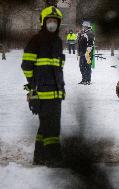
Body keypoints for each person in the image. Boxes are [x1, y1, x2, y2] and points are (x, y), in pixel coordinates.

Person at [21, 6, 65, 167]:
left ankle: (39, 157)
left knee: (45, 126)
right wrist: (32, 90)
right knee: (51, 128)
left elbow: (57, 70)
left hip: (56, 94)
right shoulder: (36, 40)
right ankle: (54, 159)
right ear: (44, 22)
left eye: (55, 21)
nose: (52, 24)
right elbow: (26, 66)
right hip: (41, 94)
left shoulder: (58, 42)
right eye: (49, 20)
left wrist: (61, 90)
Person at [77, 21, 95, 85]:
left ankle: (87, 80)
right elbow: (81, 42)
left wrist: (87, 52)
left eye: (84, 26)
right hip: (83, 52)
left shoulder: (89, 33)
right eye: (83, 26)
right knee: (82, 66)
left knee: (87, 67)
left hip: (87, 53)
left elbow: (90, 44)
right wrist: (79, 36)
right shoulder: (84, 33)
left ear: (87, 27)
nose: (83, 27)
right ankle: (84, 79)